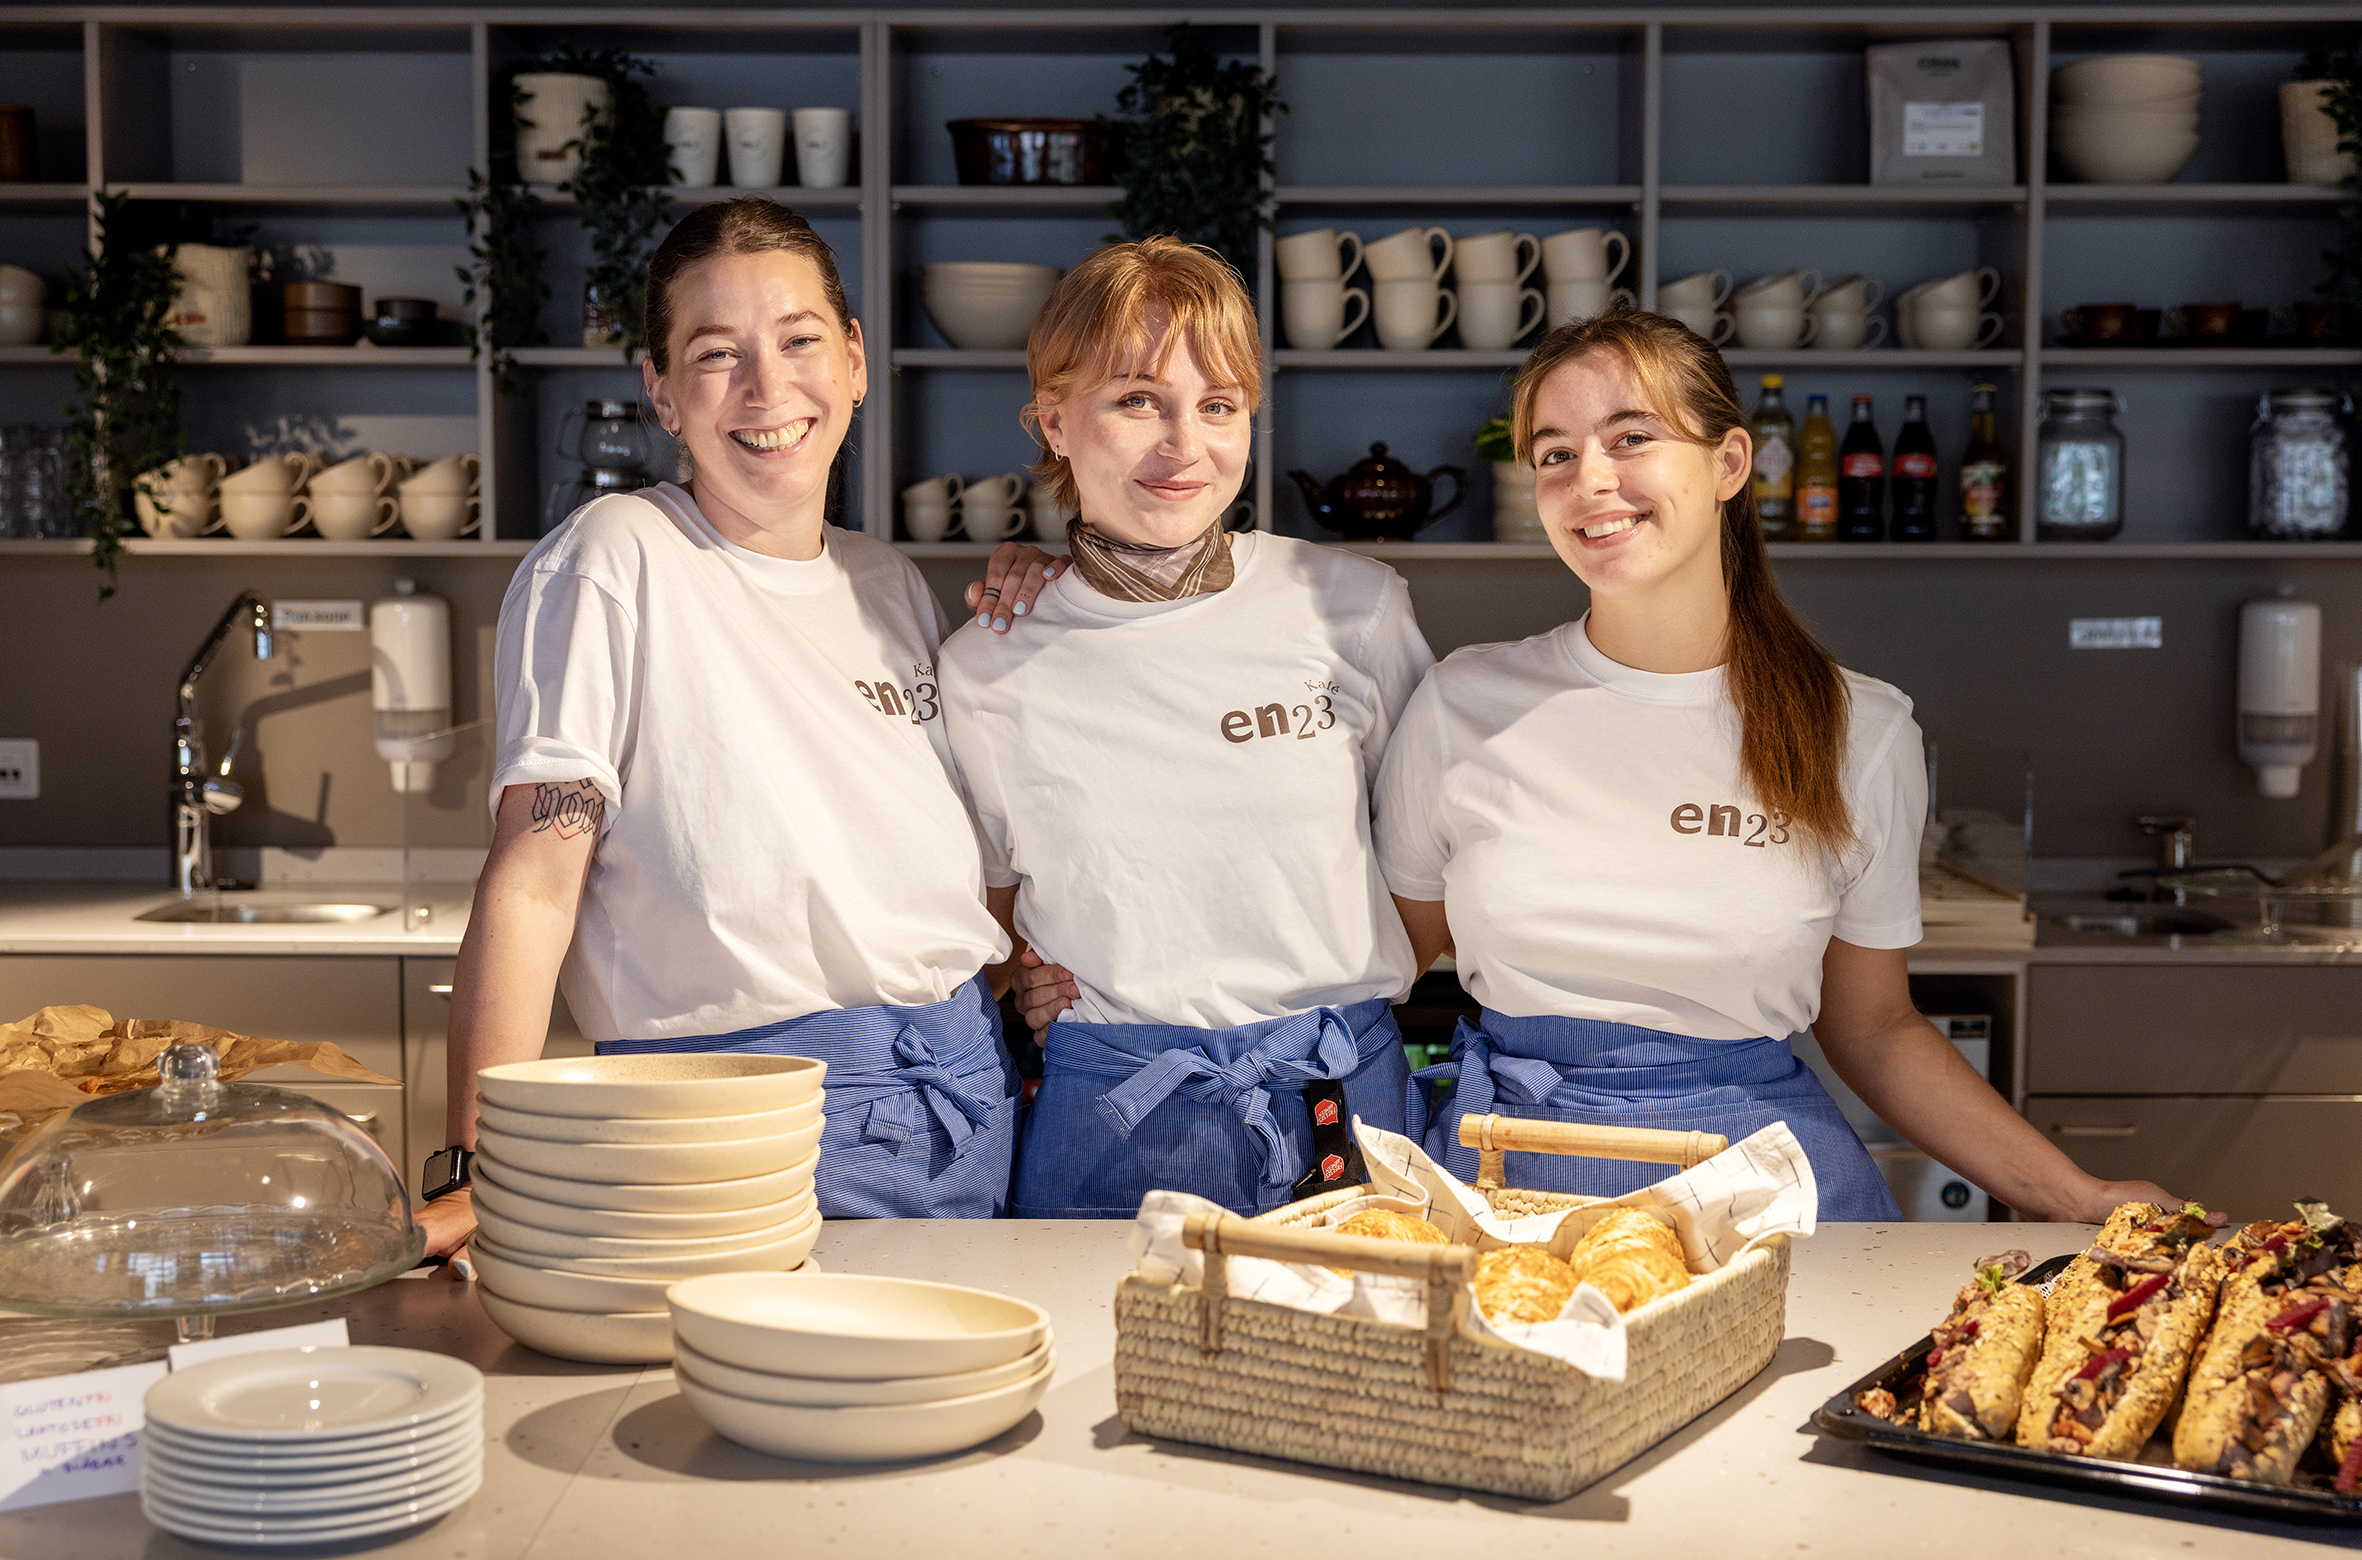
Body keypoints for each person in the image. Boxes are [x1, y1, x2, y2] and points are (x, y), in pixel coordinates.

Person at [1372, 308, 2179, 1223]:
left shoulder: (1858, 730)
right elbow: (1375, 974)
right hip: (1507, 1180)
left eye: (1631, 437)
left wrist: (2080, 1194)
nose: (1591, 479)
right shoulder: (1463, 701)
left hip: (1758, 1191)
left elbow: (1874, 1029)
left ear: (1729, 463)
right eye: (1555, 454)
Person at [417, 198, 1062, 1262]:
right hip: (737, 1127)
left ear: (854, 361)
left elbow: (910, 864)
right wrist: (483, 1169)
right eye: (718, 354)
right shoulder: (615, 560)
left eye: (799, 340)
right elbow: (534, 879)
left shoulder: (887, 584)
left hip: (963, 1106)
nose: (769, 389)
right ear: (661, 392)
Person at [939, 238, 1434, 1219]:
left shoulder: (1352, 608)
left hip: (1340, 1103)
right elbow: (979, 922)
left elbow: (1429, 867)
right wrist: (1025, 978)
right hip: (1112, 1116)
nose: (1184, 446)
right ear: (1055, 419)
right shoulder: (986, 663)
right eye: (1136, 401)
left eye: (1216, 406)